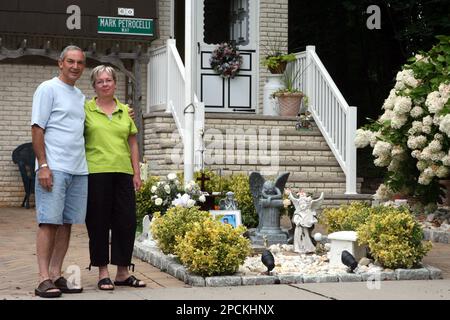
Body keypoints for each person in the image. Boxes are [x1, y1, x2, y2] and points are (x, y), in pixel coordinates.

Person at [31, 45, 87, 298]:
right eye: (71, 61)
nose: (75, 66)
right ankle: (42, 278)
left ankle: (55, 274)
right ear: (60, 63)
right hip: (54, 168)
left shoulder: (80, 96)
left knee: (66, 224)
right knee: (48, 223)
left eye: (80, 63)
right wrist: (43, 164)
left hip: (78, 169)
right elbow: (37, 128)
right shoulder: (47, 88)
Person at [84, 65, 145, 290]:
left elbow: (132, 141)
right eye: (100, 81)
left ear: (115, 84)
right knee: (98, 222)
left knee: (126, 222)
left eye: (108, 80)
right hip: (96, 172)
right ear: (94, 86)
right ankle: (102, 272)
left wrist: (136, 172)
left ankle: (122, 272)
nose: (105, 84)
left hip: (123, 173)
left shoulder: (124, 110)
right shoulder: (86, 109)